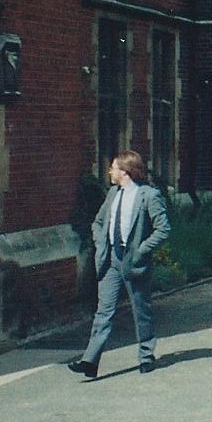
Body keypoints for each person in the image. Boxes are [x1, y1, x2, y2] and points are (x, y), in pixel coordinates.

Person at [68, 150, 170, 378]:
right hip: (111, 260)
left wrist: (142, 250)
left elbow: (163, 229)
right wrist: (101, 243)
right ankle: (90, 361)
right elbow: (98, 222)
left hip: (134, 261)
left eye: (113, 167)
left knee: (141, 310)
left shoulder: (148, 196)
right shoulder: (113, 194)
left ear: (125, 171)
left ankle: (146, 356)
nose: (110, 171)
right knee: (103, 312)